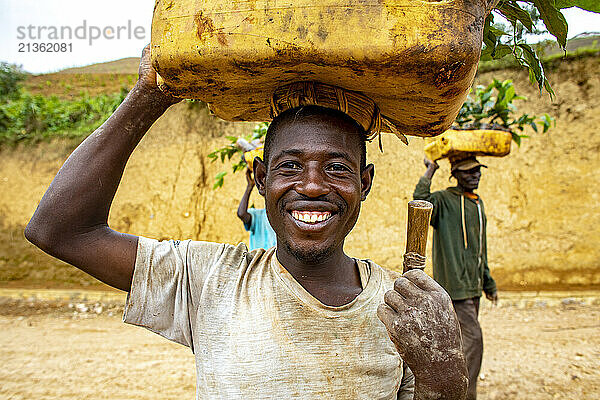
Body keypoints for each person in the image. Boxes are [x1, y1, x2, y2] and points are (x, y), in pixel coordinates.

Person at [25, 45, 468, 399]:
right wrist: (151, 93)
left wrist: (444, 376)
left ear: (365, 182)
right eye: (290, 167)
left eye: (337, 168)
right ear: (260, 179)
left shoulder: (401, 308)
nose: (312, 186)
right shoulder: (208, 279)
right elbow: (59, 231)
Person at [413, 156, 499, 400]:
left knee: (462, 342)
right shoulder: (443, 200)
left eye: (477, 171)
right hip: (455, 285)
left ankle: (454, 391)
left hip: (474, 286)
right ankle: (466, 394)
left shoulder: (477, 204)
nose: (475, 176)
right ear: (456, 175)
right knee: (474, 339)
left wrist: (488, 282)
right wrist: (430, 171)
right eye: (468, 172)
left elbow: (481, 247)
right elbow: (420, 203)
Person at [237, 169, 277, 250]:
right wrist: (249, 187)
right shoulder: (257, 216)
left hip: (274, 261)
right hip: (258, 261)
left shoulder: (282, 216)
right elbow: (241, 214)